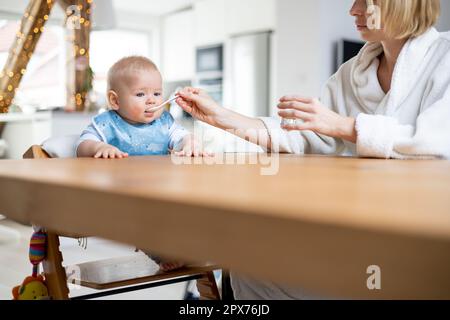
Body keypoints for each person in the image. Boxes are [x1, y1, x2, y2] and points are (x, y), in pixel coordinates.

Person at [175, 0, 450, 299]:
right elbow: (305, 137)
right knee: (252, 267)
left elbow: (435, 144)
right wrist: (220, 116)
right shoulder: (353, 72)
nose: (353, 10)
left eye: (364, 2)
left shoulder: (444, 57)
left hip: (421, 241)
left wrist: (345, 126)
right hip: (357, 231)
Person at [77, 56, 209, 271]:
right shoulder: (107, 123)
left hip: (163, 188)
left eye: (157, 93)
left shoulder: (164, 122)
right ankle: (160, 253)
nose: (152, 101)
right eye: (140, 94)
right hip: (124, 193)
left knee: (194, 205)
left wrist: (189, 142)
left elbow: (180, 135)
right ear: (115, 100)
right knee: (145, 218)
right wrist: (99, 148)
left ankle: (191, 245)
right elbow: (83, 144)